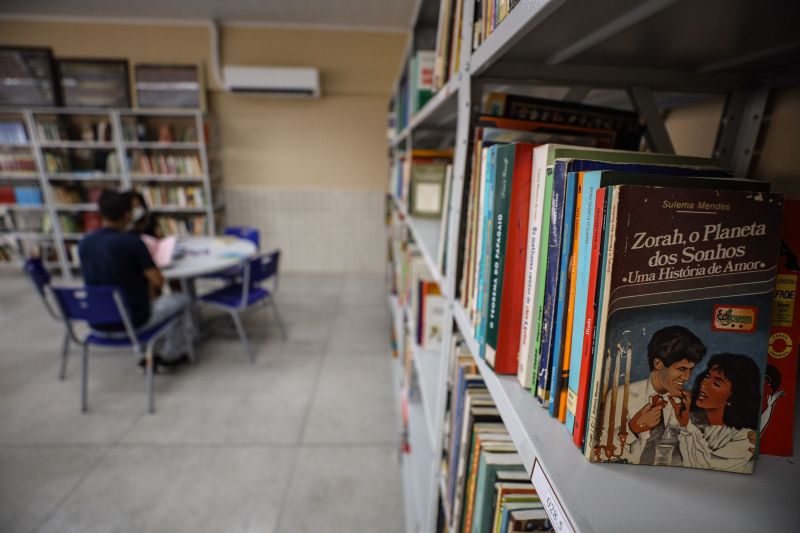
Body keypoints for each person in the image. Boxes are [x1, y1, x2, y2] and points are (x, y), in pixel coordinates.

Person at [78, 189, 190, 370]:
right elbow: (158, 281)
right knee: (181, 300)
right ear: (128, 214)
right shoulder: (132, 243)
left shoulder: (85, 243)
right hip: (132, 322)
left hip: (97, 322)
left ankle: (145, 353)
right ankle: (172, 355)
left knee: (132, 301)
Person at [597, 325, 707, 464]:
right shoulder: (620, 395)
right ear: (658, 363)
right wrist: (633, 429)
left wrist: (687, 424)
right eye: (682, 369)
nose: (686, 377)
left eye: (691, 370)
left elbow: (701, 459)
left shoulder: (688, 403)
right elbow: (601, 454)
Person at [670, 353, 761, 473]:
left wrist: (686, 425)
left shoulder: (744, 438)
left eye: (716, 383)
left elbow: (704, 467)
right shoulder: (689, 418)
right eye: (707, 376)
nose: (704, 384)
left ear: (733, 398)